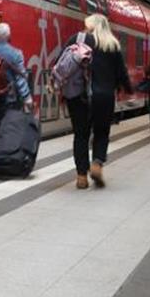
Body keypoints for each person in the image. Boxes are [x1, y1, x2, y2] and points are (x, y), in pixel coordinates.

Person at [58, 13, 132, 189]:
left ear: (90, 26)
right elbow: (121, 73)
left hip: (78, 95)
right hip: (104, 97)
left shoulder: (77, 39)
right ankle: (97, 164)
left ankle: (81, 176)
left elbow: (60, 63)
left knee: (81, 135)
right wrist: (127, 88)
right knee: (101, 133)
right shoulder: (112, 45)